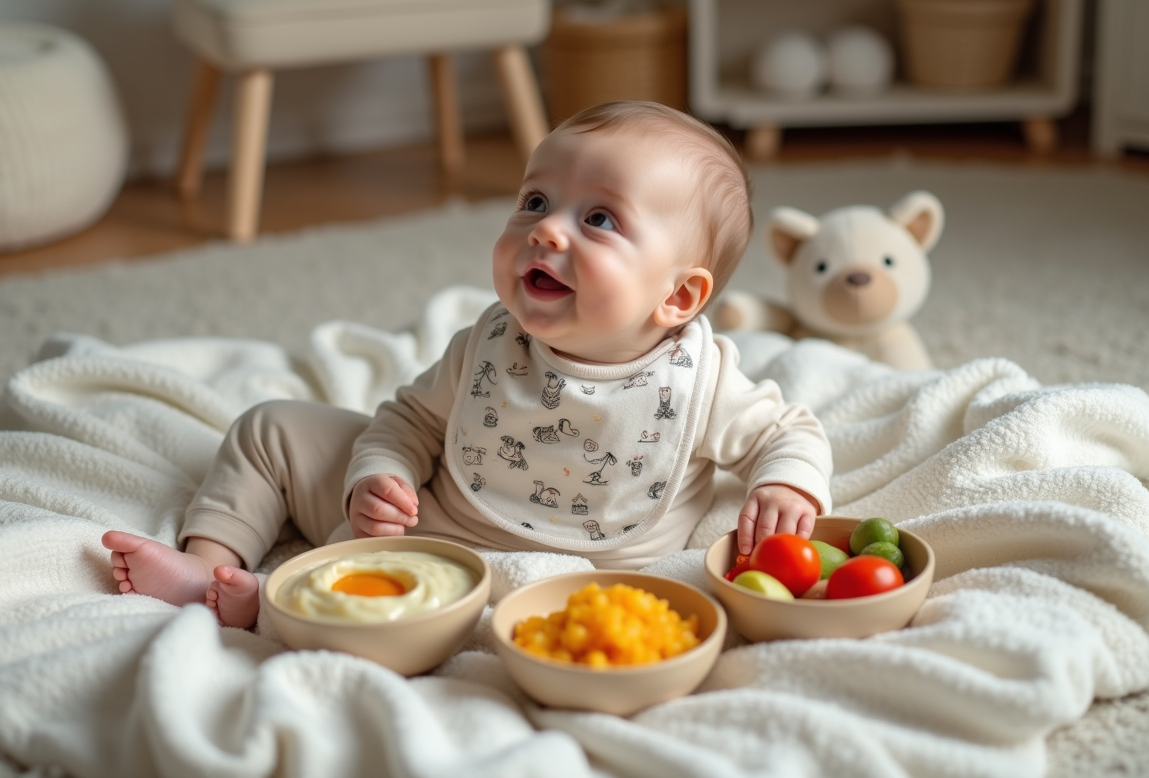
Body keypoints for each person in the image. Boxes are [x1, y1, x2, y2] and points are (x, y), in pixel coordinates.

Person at [103, 100, 833, 629]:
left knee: (419, 601)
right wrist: (377, 477)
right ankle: (210, 563)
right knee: (270, 428)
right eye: (535, 200)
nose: (545, 229)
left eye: (599, 219)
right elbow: (408, 422)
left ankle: (296, 606)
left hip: (593, 572)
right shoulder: (487, 346)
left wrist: (786, 483)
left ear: (678, 296)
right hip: (437, 520)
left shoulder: (700, 382)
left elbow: (790, 432)